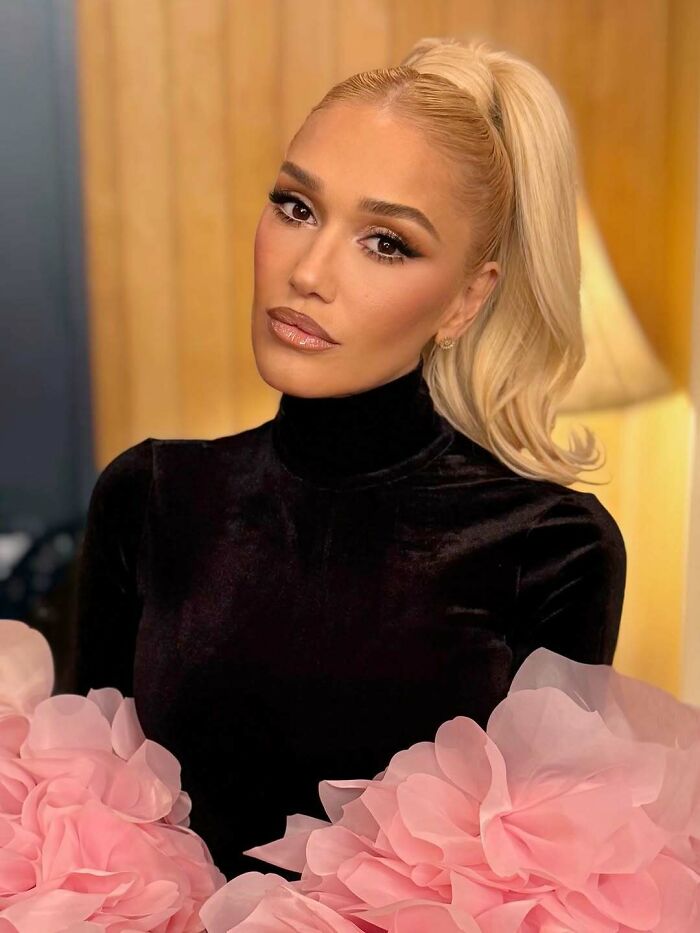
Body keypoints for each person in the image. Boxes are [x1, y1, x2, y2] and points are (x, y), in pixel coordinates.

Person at [74, 37, 627, 882]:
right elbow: (76, 822)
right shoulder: (149, 495)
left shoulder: (550, 546)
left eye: (386, 243)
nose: (308, 272)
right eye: (296, 207)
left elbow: (539, 887)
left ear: (468, 299)